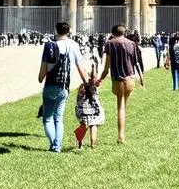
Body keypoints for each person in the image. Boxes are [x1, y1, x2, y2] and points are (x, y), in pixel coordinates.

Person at [38, 21, 88, 153]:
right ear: (69, 31)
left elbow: (43, 68)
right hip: (64, 86)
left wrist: (40, 78)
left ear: (56, 30)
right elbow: (80, 67)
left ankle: (54, 145)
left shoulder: (49, 45)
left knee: (47, 118)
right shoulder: (74, 45)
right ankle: (57, 146)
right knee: (58, 119)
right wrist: (87, 83)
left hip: (50, 85)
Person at [99, 24, 146, 144]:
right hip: (130, 79)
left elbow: (106, 68)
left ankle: (121, 136)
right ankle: (122, 136)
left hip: (117, 80)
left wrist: (100, 79)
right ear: (125, 32)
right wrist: (142, 79)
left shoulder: (110, 44)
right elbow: (137, 63)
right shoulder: (132, 44)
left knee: (120, 106)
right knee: (124, 107)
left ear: (113, 33)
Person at [74, 75, 104, 149]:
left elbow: (78, 99)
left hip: (83, 111)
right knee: (93, 126)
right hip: (94, 110)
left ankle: (80, 144)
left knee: (83, 126)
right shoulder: (94, 85)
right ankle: (93, 145)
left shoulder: (82, 86)